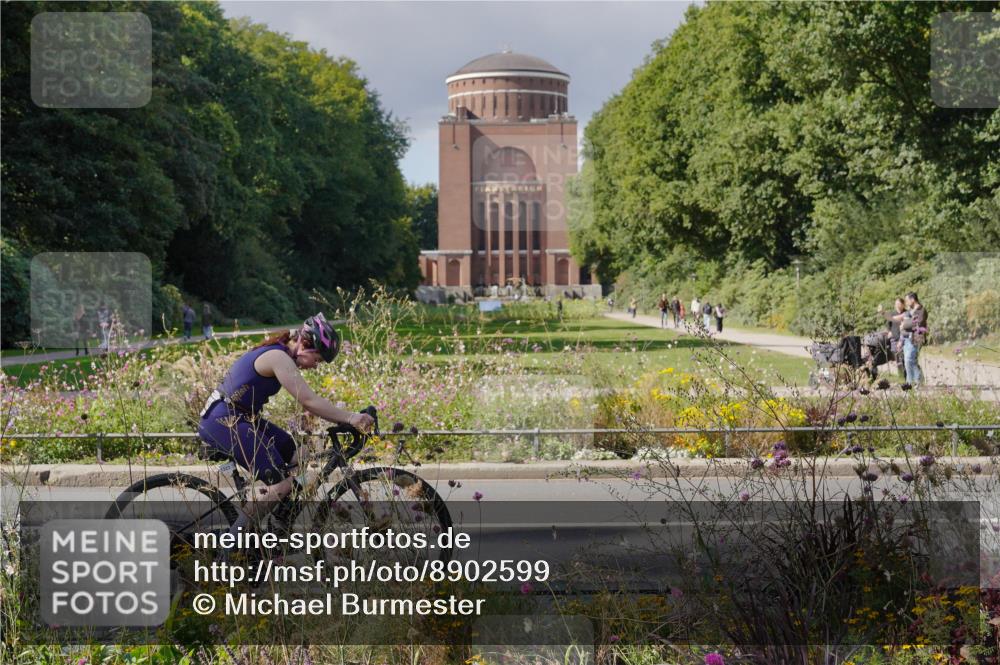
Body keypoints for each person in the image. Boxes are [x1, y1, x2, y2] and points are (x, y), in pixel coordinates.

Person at [198, 313, 373, 555]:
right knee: (280, 483)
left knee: (299, 454)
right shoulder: (278, 357)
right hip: (223, 420)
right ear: (305, 345)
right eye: (318, 359)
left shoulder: (282, 353)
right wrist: (352, 418)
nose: (316, 366)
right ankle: (229, 548)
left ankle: (279, 521)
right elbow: (309, 401)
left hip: (242, 417)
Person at [882, 292, 927, 385]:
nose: (906, 303)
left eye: (907, 300)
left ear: (912, 300)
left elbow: (917, 323)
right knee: (909, 362)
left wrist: (904, 325)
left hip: (916, 338)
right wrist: (883, 313)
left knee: (909, 360)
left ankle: (916, 381)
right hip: (906, 340)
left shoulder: (921, 310)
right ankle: (913, 382)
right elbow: (894, 318)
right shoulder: (909, 311)